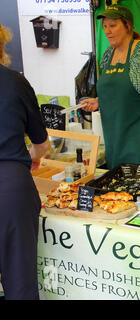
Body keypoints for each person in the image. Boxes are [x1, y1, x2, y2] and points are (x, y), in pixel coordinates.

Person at [81, 4, 140, 169]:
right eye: (105, 26)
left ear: (127, 26)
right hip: (114, 132)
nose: (107, 31)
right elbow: (114, 91)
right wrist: (97, 101)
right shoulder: (108, 54)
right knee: (118, 179)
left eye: (113, 25)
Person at [0, 23, 50, 300]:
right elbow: (41, 144)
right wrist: (33, 159)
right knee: (20, 285)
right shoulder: (14, 82)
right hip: (10, 189)